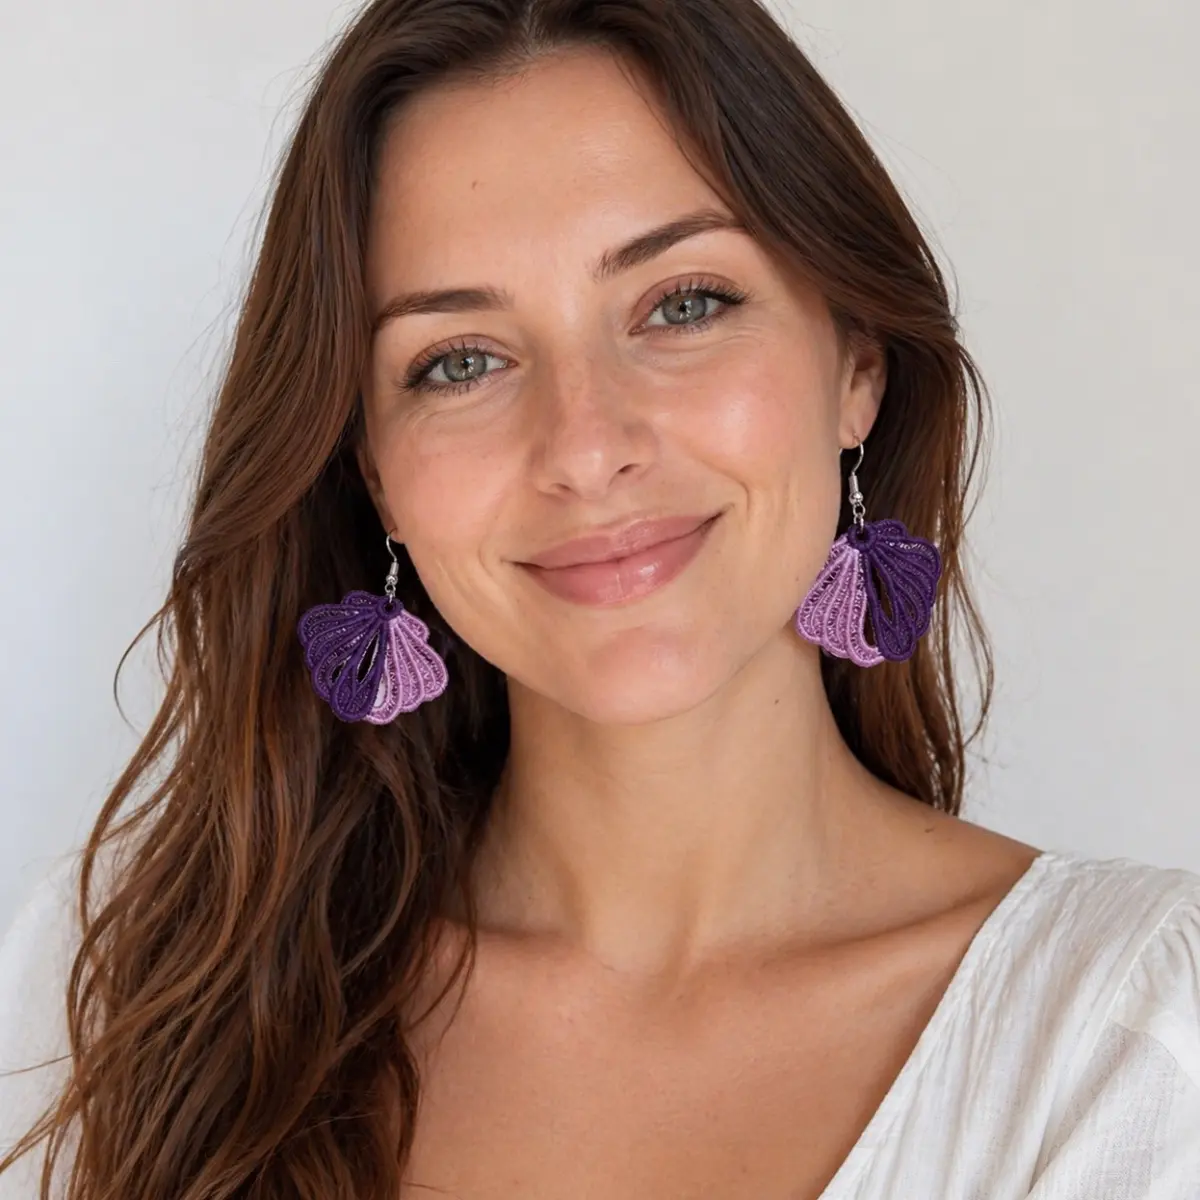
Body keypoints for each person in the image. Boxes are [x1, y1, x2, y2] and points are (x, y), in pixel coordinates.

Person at [2, 0, 1198, 1196]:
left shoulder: (1137, 1040)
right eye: (460, 360)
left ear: (858, 367)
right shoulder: (120, 984)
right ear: (375, 472)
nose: (584, 446)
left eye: (682, 304)